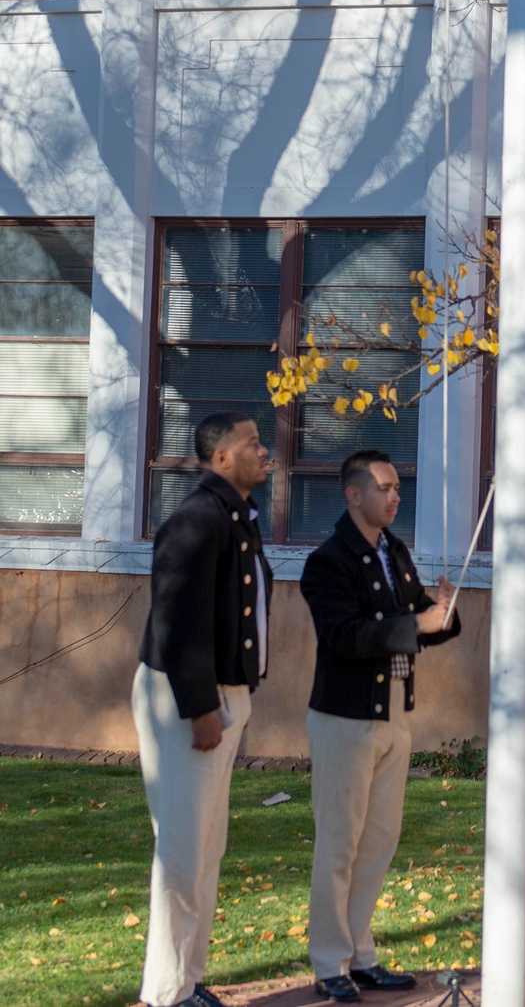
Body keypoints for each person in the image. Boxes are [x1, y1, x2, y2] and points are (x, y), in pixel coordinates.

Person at [300, 448, 461, 1002]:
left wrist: (440, 613)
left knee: (378, 842)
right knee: (340, 845)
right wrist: (415, 621)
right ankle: (328, 963)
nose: (395, 496)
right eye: (385, 488)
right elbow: (345, 636)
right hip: (344, 718)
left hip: (393, 712)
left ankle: (360, 954)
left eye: (397, 488)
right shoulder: (328, 562)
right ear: (354, 494)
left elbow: (416, 616)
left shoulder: (395, 551)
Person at [132, 411, 273, 1007]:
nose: (265, 451)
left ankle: (187, 978)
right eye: (253, 444)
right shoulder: (196, 521)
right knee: (184, 848)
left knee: (205, 849)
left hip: (222, 695)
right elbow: (177, 621)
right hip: (189, 698)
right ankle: (167, 992)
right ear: (221, 459)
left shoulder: (234, 516)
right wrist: (201, 709)